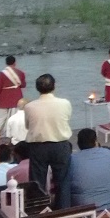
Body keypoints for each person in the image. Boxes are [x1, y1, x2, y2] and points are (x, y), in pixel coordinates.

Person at [24, 74, 73, 210]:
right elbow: (66, 119)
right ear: (54, 86)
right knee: (63, 182)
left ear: (37, 88)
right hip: (60, 144)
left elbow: (28, 126)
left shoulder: (29, 106)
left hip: (38, 146)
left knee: (36, 184)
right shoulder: (64, 103)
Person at [69, 128, 110, 211]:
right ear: (95, 141)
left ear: (78, 143)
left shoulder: (72, 159)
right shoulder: (107, 153)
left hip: (83, 207)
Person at [0, 55, 26, 136]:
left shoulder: (1, 74)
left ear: (6, 63)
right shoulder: (20, 73)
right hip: (16, 98)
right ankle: (14, 136)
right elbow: (23, 85)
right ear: (15, 63)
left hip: (3, 99)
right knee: (15, 119)